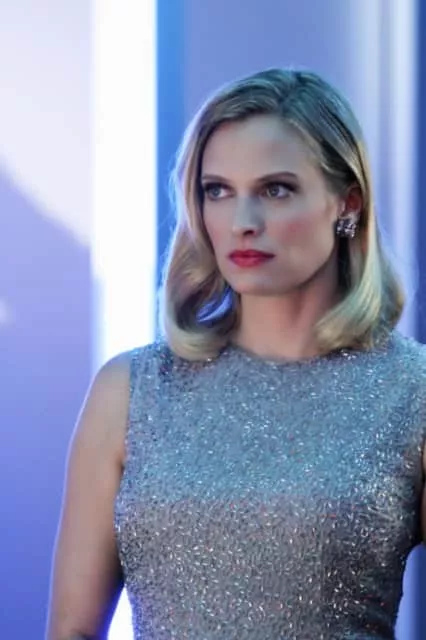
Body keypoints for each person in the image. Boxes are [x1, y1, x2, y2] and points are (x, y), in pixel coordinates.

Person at [46, 68, 426, 640]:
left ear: (347, 204)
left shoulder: (412, 391)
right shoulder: (130, 389)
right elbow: (71, 631)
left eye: (276, 190)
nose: (243, 223)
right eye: (217, 191)